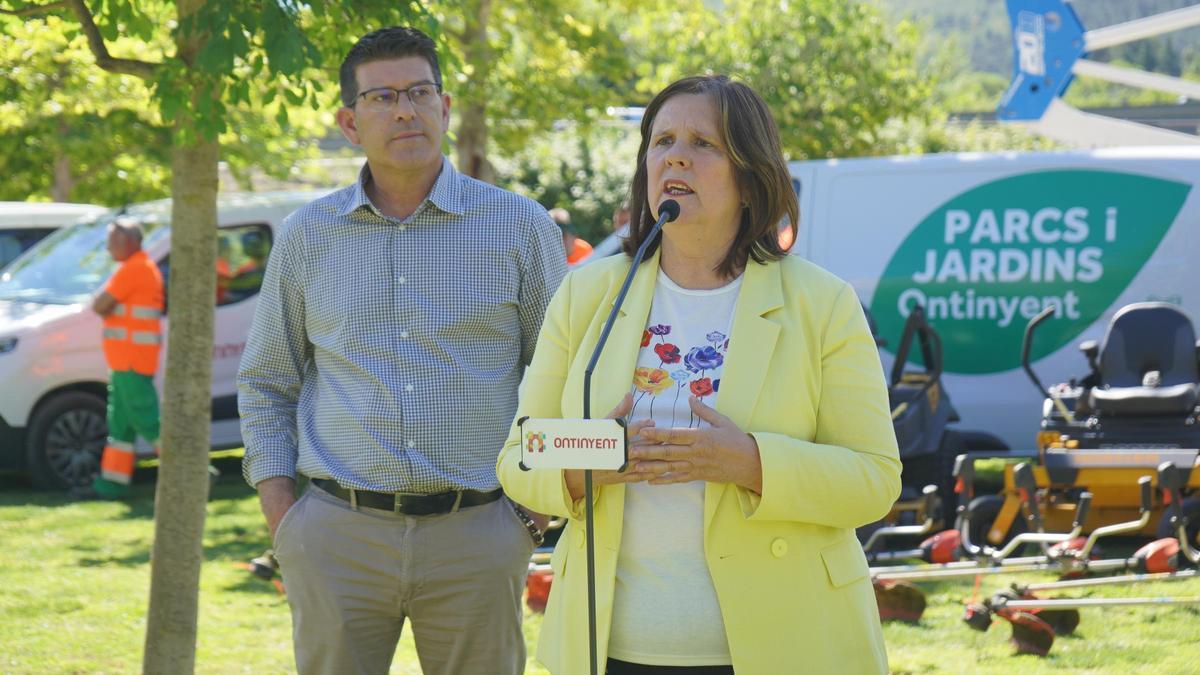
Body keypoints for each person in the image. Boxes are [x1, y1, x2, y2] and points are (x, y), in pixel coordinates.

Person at [497, 75, 901, 674]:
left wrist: (751, 463)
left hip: (784, 648)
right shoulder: (586, 293)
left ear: (751, 177)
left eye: (703, 144)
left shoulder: (822, 302)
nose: (675, 157)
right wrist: (597, 458)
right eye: (662, 141)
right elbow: (521, 457)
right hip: (608, 650)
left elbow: (874, 479)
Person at [237, 26, 568, 675]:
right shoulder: (307, 236)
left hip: (480, 534)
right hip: (337, 537)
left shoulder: (520, 227)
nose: (405, 110)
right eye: (382, 97)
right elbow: (268, 381)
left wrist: (530, 518)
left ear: (445, 106)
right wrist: (284, 518)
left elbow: (561, 378)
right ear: (349, 122)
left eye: (419, 92)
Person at [78, 219, 164, 499]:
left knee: (149, 422)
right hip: (126, 361)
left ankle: (194, 474)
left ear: (129, 242)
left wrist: (105, 305)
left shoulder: (135, 268)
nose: (108, 248)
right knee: (121, 427)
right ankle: (111, 485)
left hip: (132, 361)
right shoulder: (137, 267)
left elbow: (100, 304)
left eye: (112, 242)